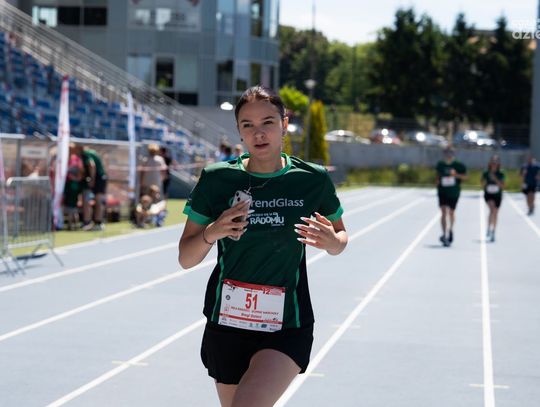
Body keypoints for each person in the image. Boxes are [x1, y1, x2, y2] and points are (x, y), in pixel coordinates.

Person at [178, 85, 348, 407]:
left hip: (286, 325)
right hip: (227, 324)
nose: (259, 133)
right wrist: (213, 232)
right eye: (248, 125)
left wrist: (332, 243)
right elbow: (186, 258)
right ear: (239, 131)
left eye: (268, 122)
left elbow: (341, 238)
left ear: (284, 124)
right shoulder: (217, 180)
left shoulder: (311, 179)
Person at [435, 147, 467, 247]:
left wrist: (455, 175)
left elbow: (465, 177)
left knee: (451, 212)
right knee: (443, 212)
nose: (449, 154)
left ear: (454, 153)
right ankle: (444, 234)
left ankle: (450, 230)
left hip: (454, 192)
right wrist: (437, 181)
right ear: (444, 154)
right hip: (442, 191)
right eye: (447, 152)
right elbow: (437, 176)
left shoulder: (459, 165)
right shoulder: (440, 164)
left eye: (451, 152)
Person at [77, 145, 108, 231]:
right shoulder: (91, 152)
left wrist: (92, 179)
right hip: (100, 178)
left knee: (96, 200)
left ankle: (94, 222)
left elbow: (92, 165)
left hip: (98, 179)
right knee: (94, 200)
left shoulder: (85, 154)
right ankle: (94, 222)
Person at [481, 155, 505, 242]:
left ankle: (493, 230)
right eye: (493, 162)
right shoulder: (486, 173)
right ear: (490, 163)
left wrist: (495, 179)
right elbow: (482, 184)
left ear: (498, 163)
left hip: (497, 195)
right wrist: (485, 182)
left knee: (495, 213)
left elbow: (502, 186)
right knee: (492, 209)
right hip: (488, 194)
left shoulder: (501, 173)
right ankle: (488, 227)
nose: (494, 164)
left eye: (496, 162)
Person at [63, 146, 84, 230]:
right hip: (67, 185)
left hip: (74, 185)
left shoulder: (76, 159)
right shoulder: (64, 158)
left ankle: (73, 224)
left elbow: (81, 171)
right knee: (69, 205)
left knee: (73, 205)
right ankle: (71, 224)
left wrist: (75, 178)